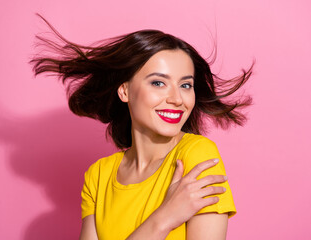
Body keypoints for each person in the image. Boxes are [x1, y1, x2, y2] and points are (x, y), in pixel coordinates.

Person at [31, 15, 253, 240]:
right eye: (159, 83)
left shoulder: (196, 156)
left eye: (186, 85)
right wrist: (164, 218)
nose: (177, 99)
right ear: (125, 91)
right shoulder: (99, 175)